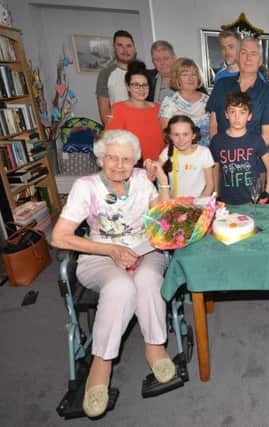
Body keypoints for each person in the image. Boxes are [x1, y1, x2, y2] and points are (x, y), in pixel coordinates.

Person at [51, 130, 174, 418]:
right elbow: (59, 237)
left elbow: (165, 221)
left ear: (136, 161)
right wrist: (111, 251)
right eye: (112, 158)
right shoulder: (86, 186)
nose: (119, 165)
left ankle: (155, 346)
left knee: (147, 280)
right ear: (101, 157)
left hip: (144, 250)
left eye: (126, 160)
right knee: (121, 287)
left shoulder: (143, 180)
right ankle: (101, 364)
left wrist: (164, 180)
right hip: (99, 255)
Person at [207, 37, 269, 145]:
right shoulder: (221, 85)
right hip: (221, 156)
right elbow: (213, 126)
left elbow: (267, 137)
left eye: (253, 54)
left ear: (260, 61)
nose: (248, 58)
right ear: (237, 57)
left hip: (253, 159)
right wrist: (219, 154)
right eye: (243, 52)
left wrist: (242, 159)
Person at [210, 91, 269, 205]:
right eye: (232, 112)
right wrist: (216, 193)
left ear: (249, 116)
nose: (237, 117)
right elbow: (215, 168)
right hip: (225, 201)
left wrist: (267, 192)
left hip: (251, 200)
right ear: (226, 114)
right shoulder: (217, 141)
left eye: (242, 112)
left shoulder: (256, 139)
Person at [106, 60, 164, 164]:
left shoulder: (159, 109)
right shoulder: (118, 109)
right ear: (128, 87)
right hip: (132, 170)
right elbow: (111, 143)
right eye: (136, 85)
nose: (141, 89)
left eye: (144, 85)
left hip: (159, 168)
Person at [151, 115, 215, 198]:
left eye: (185, 134)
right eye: (176, 135)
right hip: (175, 205)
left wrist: (198, 205)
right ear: (170, 136)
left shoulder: (204, 153)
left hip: (197, 206)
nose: (181, 139)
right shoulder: (167, 151)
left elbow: (210, 185)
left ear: (193, 135)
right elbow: (154, 171)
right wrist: (149, 165)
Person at [159, 58, 210, 147]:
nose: (190, 78)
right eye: (185, 75)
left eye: (194, 74)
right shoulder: (170, 102)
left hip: (207, 153)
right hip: (180, 154)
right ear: (177, 78)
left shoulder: (208, 100)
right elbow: (166, 135)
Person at [96, 30, 137, 125]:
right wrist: (113, 132)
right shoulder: (105, 74)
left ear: (134, 49)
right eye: (120, 45)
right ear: (114, 48)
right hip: (119, 130)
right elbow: (104, 111)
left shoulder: (143, 71)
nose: (125, 50)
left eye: (129, 46)